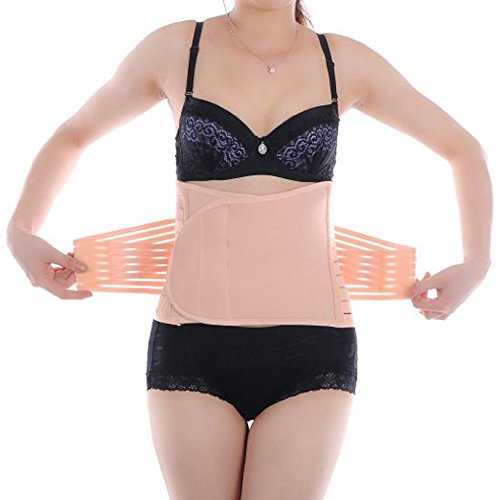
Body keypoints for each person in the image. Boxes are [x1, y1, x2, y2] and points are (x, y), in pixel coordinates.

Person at [6, 1, 492, 499]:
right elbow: (74, 134)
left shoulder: (342, 62)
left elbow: (462, 148)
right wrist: (20, 230)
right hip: (191, 344)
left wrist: (477, 261)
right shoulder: (177, 48)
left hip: (314, 350)